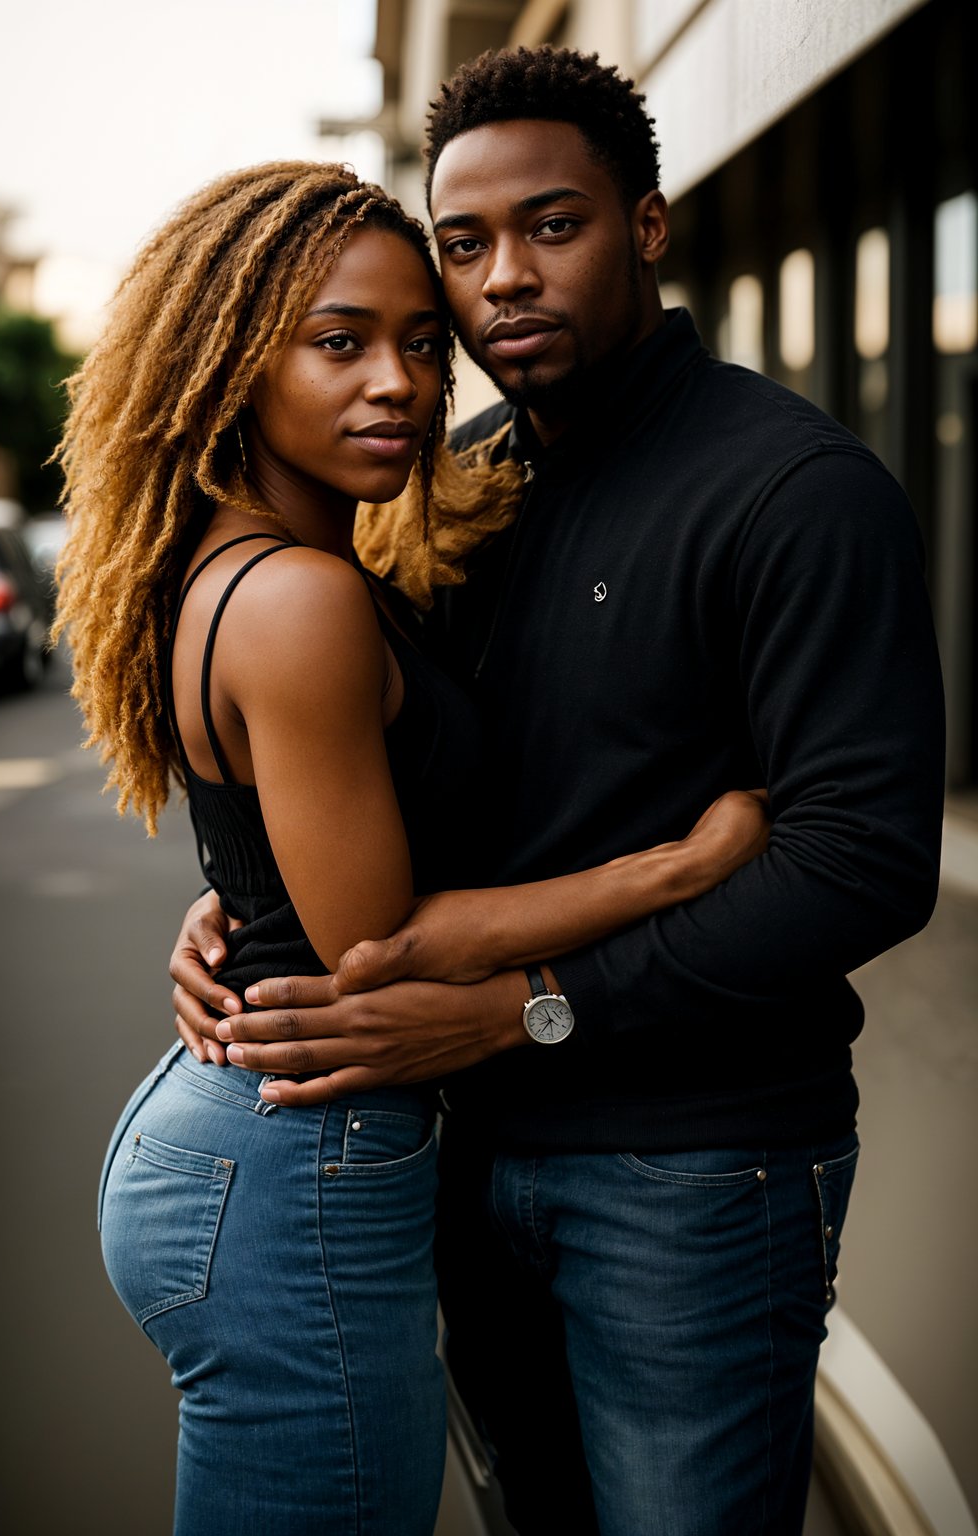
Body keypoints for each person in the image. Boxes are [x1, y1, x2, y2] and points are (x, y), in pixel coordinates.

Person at [170, 48, 946, 1536]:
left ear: (646, 228)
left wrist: (534, 1001)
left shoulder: (798, 493)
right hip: (468, 1159)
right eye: (465, 245)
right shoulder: (451, 487)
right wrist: (243, 902)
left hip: (699, 1171)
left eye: (554, 226)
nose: (502, 277)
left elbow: (861, 864)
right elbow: (389, 771)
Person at [56, 159, 770, 1536]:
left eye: (421, 344)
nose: (398, 380)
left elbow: (290, 866)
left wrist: (228, 910)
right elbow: (377, 951)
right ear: (229, 364)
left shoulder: (254, 566)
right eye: (340, 342)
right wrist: (673, 869)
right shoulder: (299, 598)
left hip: (247, 1139)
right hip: (297, 1163)